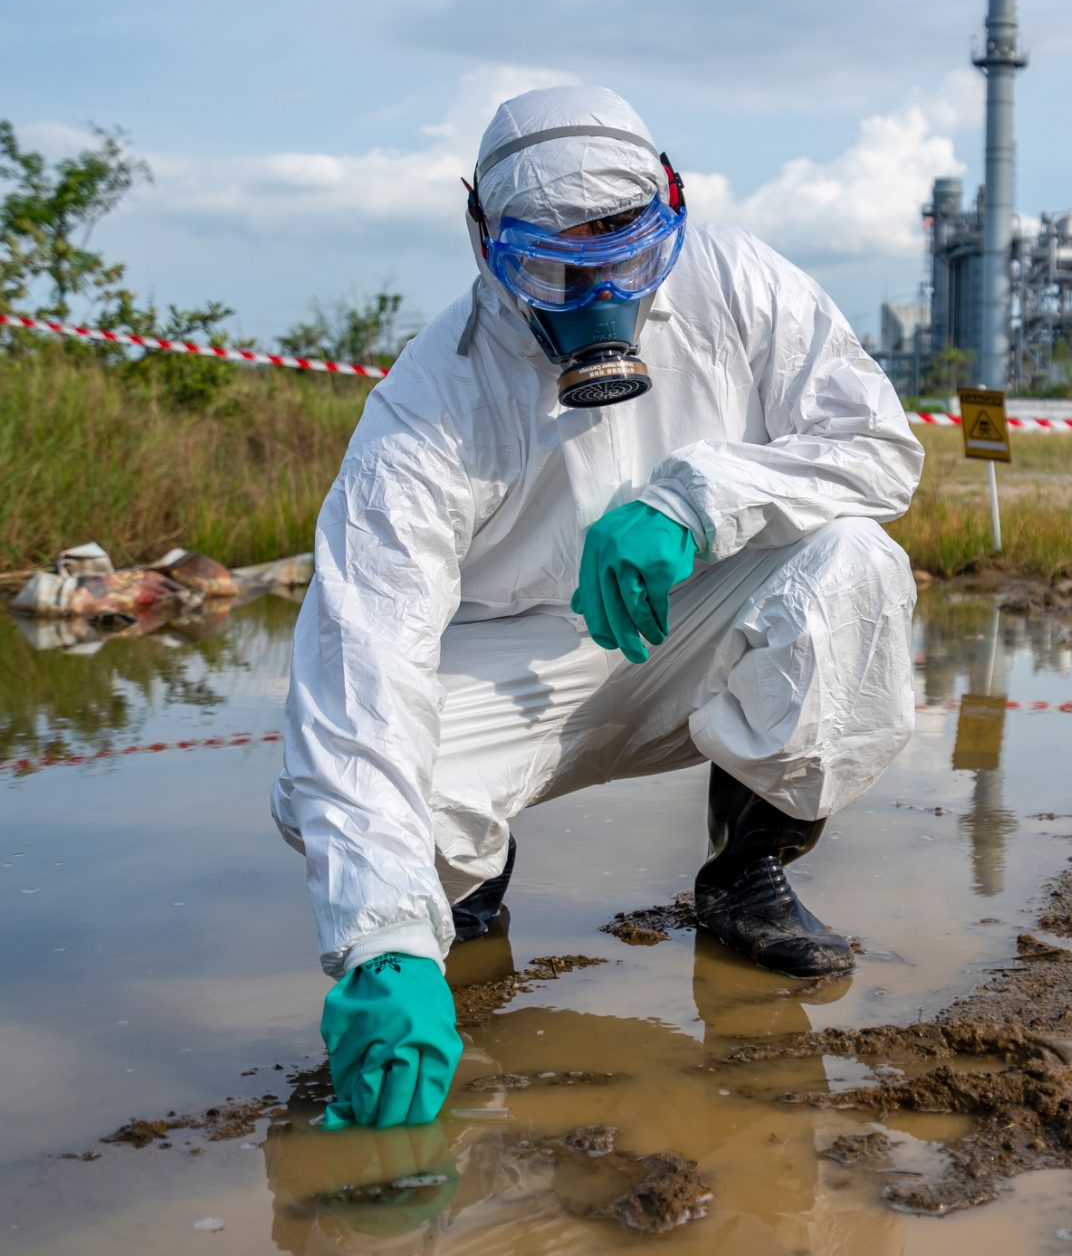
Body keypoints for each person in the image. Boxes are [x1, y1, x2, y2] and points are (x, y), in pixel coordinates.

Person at [269, 85, 923, 1129]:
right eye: (549, 266)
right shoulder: (430, 400)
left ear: (672, 203)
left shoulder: (742, 284)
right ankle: (457, 898)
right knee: (337, 796)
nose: (595, 292)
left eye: (625, 252)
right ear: (484, 243)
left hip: (691, 620)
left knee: (857, 564)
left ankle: (748, 870)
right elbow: (362, 665)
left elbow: (881, 452)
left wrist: (699, 499)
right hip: (511, 661)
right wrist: (378, 944)